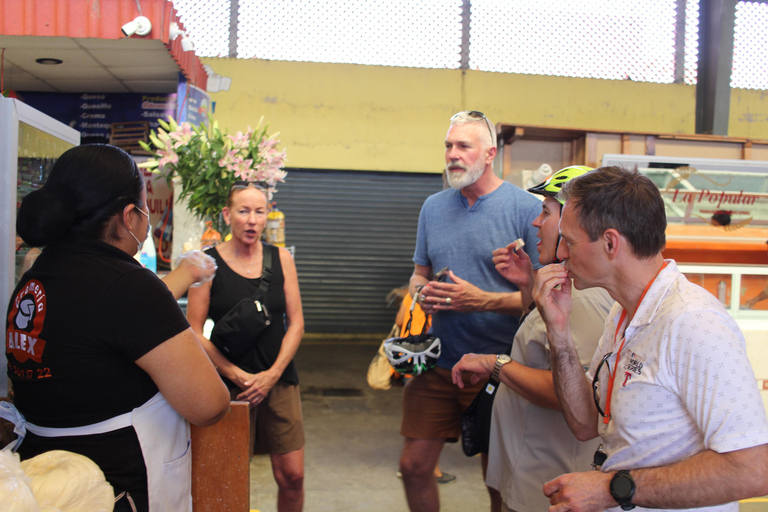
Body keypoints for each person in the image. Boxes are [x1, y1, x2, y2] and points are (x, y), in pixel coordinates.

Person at [3, 144, 230, 512]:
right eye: (144, 210)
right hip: (115, 486)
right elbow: (209, 405)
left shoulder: (35, 277)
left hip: (44, 480)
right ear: (129, 216)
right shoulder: (129, 285)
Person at [535, 165, 768, 512]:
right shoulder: (624, 312)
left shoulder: (694, 323)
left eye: (568, 242)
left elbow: (754, 469)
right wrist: (559, 334)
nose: (562, 254)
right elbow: (585, 424)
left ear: (611, 243)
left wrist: (611, 489)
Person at [399, 110, 543, 512]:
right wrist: (421, 293)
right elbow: (417, 273)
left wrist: (481, 300)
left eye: (464, 146)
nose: (453, 155)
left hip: (497, 365)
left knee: (496, 480)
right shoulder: (433, 207)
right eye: (448, 146)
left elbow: (543, 300)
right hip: (437, 361)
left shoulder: (524, 209)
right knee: (413, 466)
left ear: (489, 153)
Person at [451, 165, 615, 512]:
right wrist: (527, 285)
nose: (537, 223)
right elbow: (544, 343)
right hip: (531, 472)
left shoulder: (582, 296)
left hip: (548, 481)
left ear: (573, 223)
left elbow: (575, 392)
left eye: (545, 212)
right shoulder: (563, 283)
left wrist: (496, 365)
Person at [186, 181, 306, 512]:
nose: (252, 220)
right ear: (227, 215)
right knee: (227, 476)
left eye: (259, 211)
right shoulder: (206, 264)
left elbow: (296, 323)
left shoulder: (281, 259)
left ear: (268, 216)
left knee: (293, 476)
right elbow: (194, 330)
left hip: (278, 380)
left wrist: (272, 374)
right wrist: (236, 374)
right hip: (228, 387)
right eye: (243, 211)